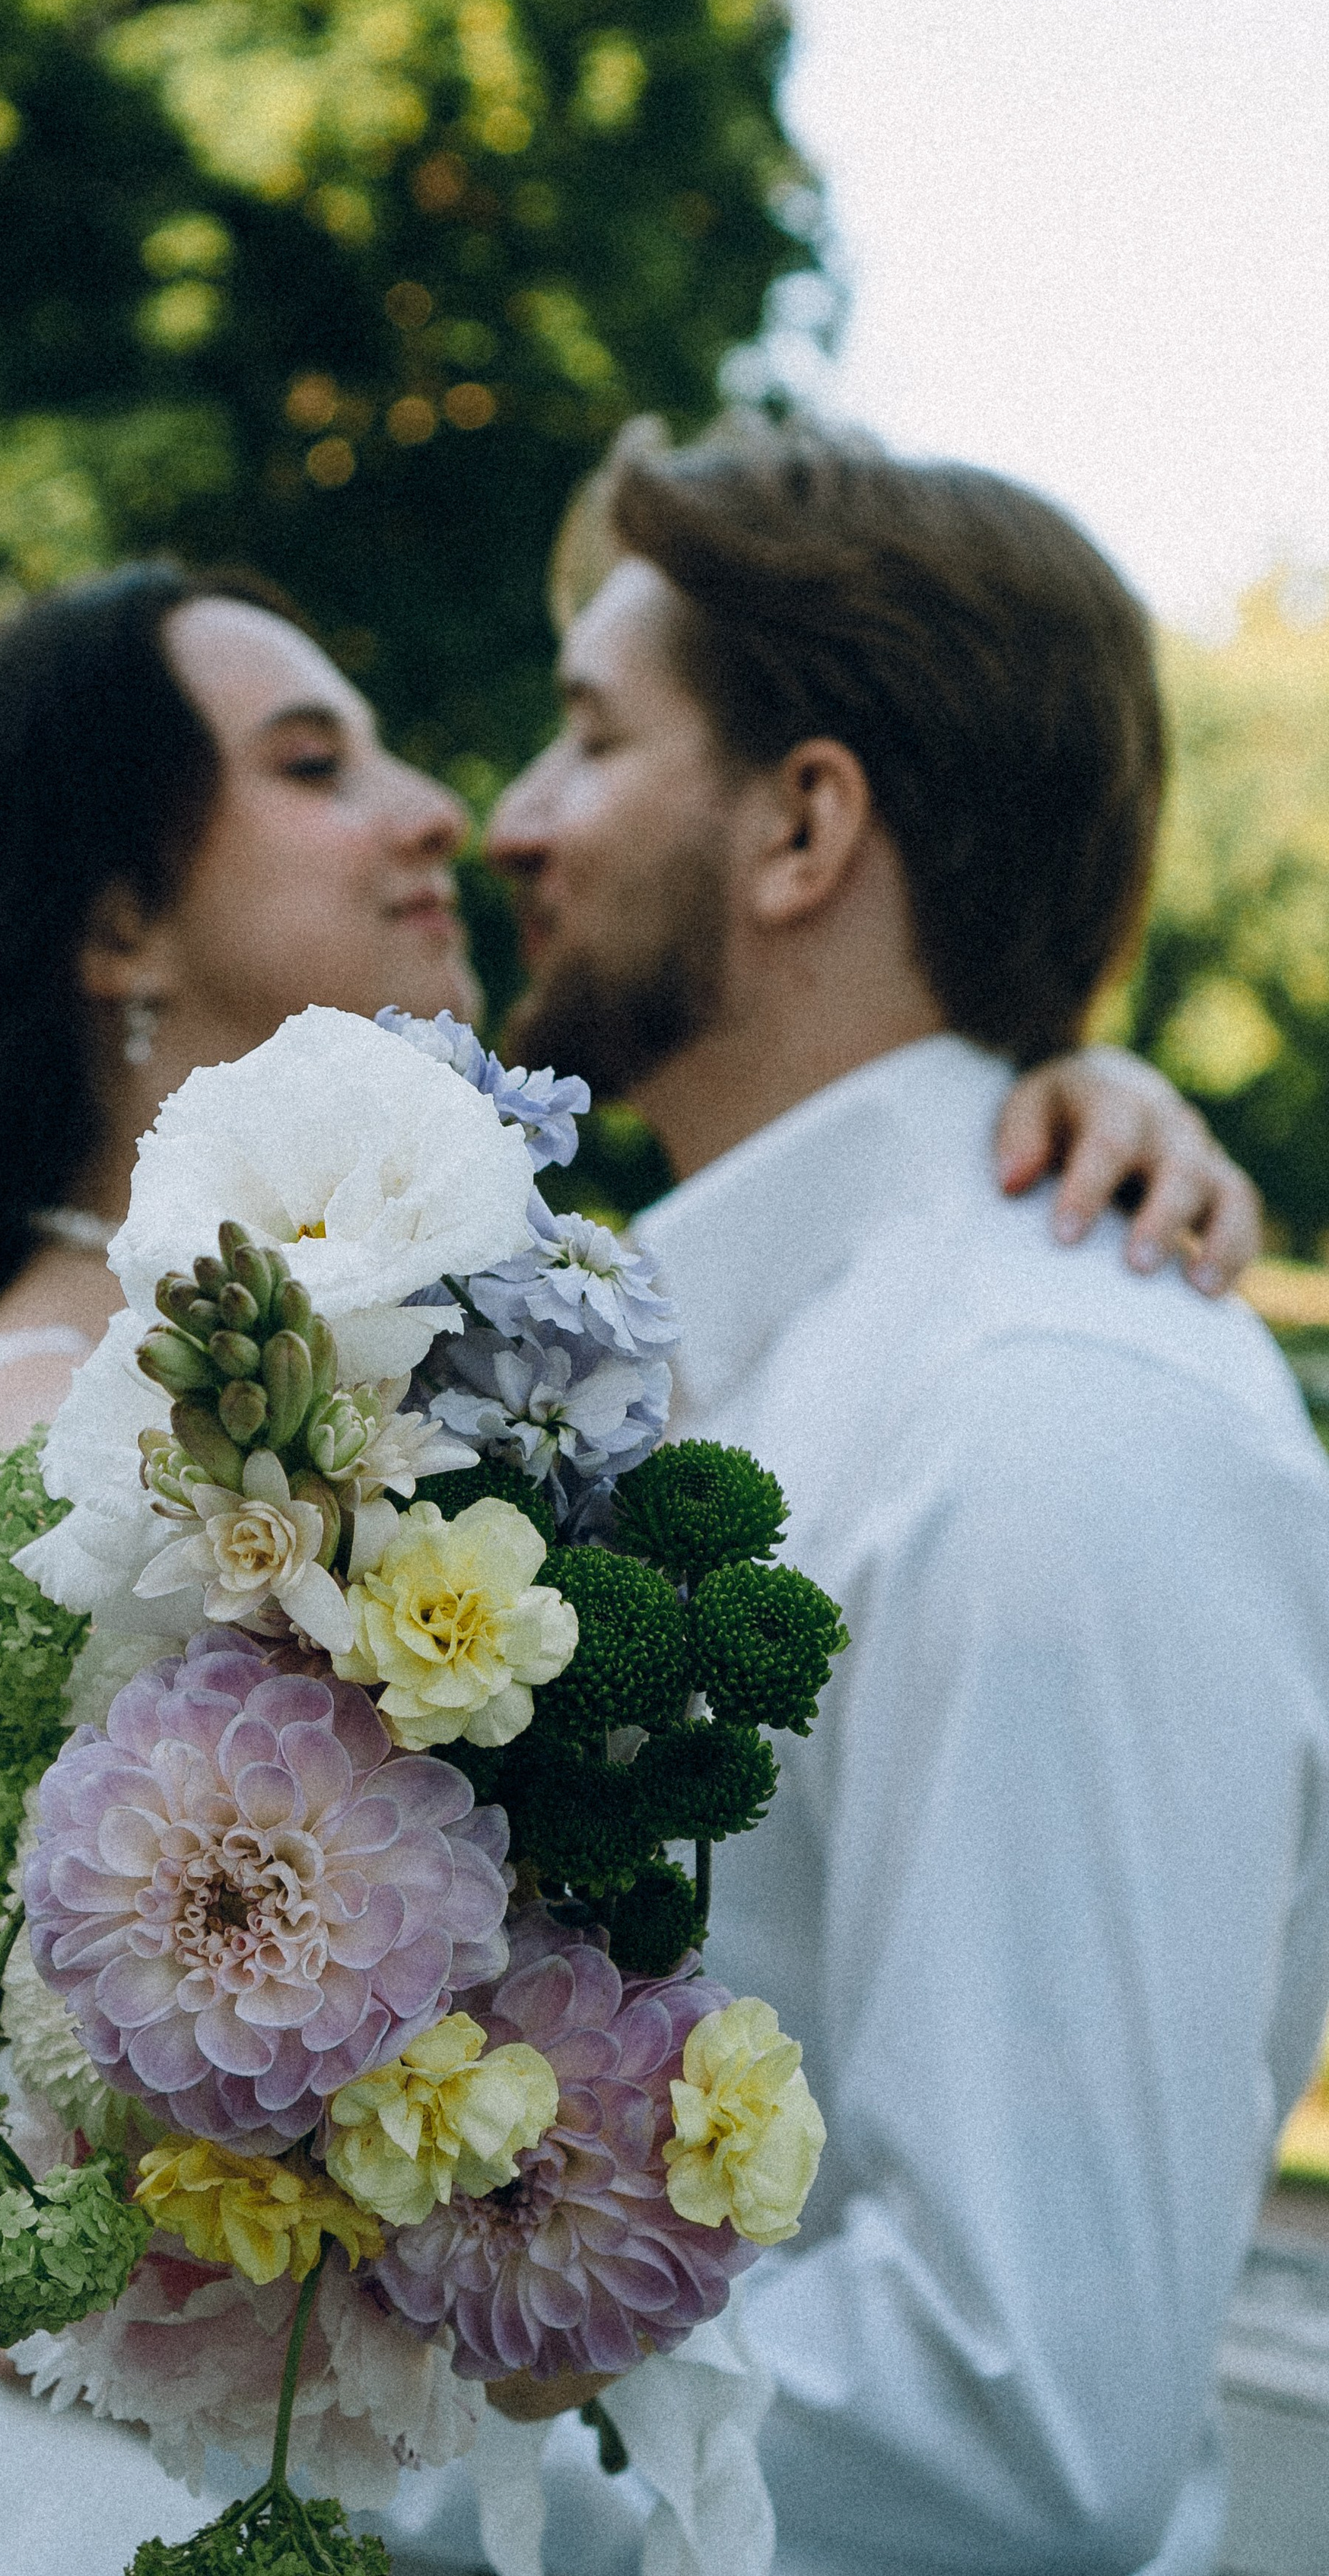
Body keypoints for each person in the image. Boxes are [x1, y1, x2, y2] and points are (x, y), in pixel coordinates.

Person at [0, 555, 1260, 2576]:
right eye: (312, 760)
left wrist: (1028, 1103)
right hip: (197, 2501)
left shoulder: (374, 1343)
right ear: (119, 921)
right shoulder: (54, 1428)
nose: (441, 805)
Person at [482, 418, 1329, 2576]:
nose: (513, 819)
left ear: (803, 822)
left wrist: (337, 2443)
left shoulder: (1062, 1421)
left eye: (588, 739)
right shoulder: (656, 1354)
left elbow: (1012, 2411)